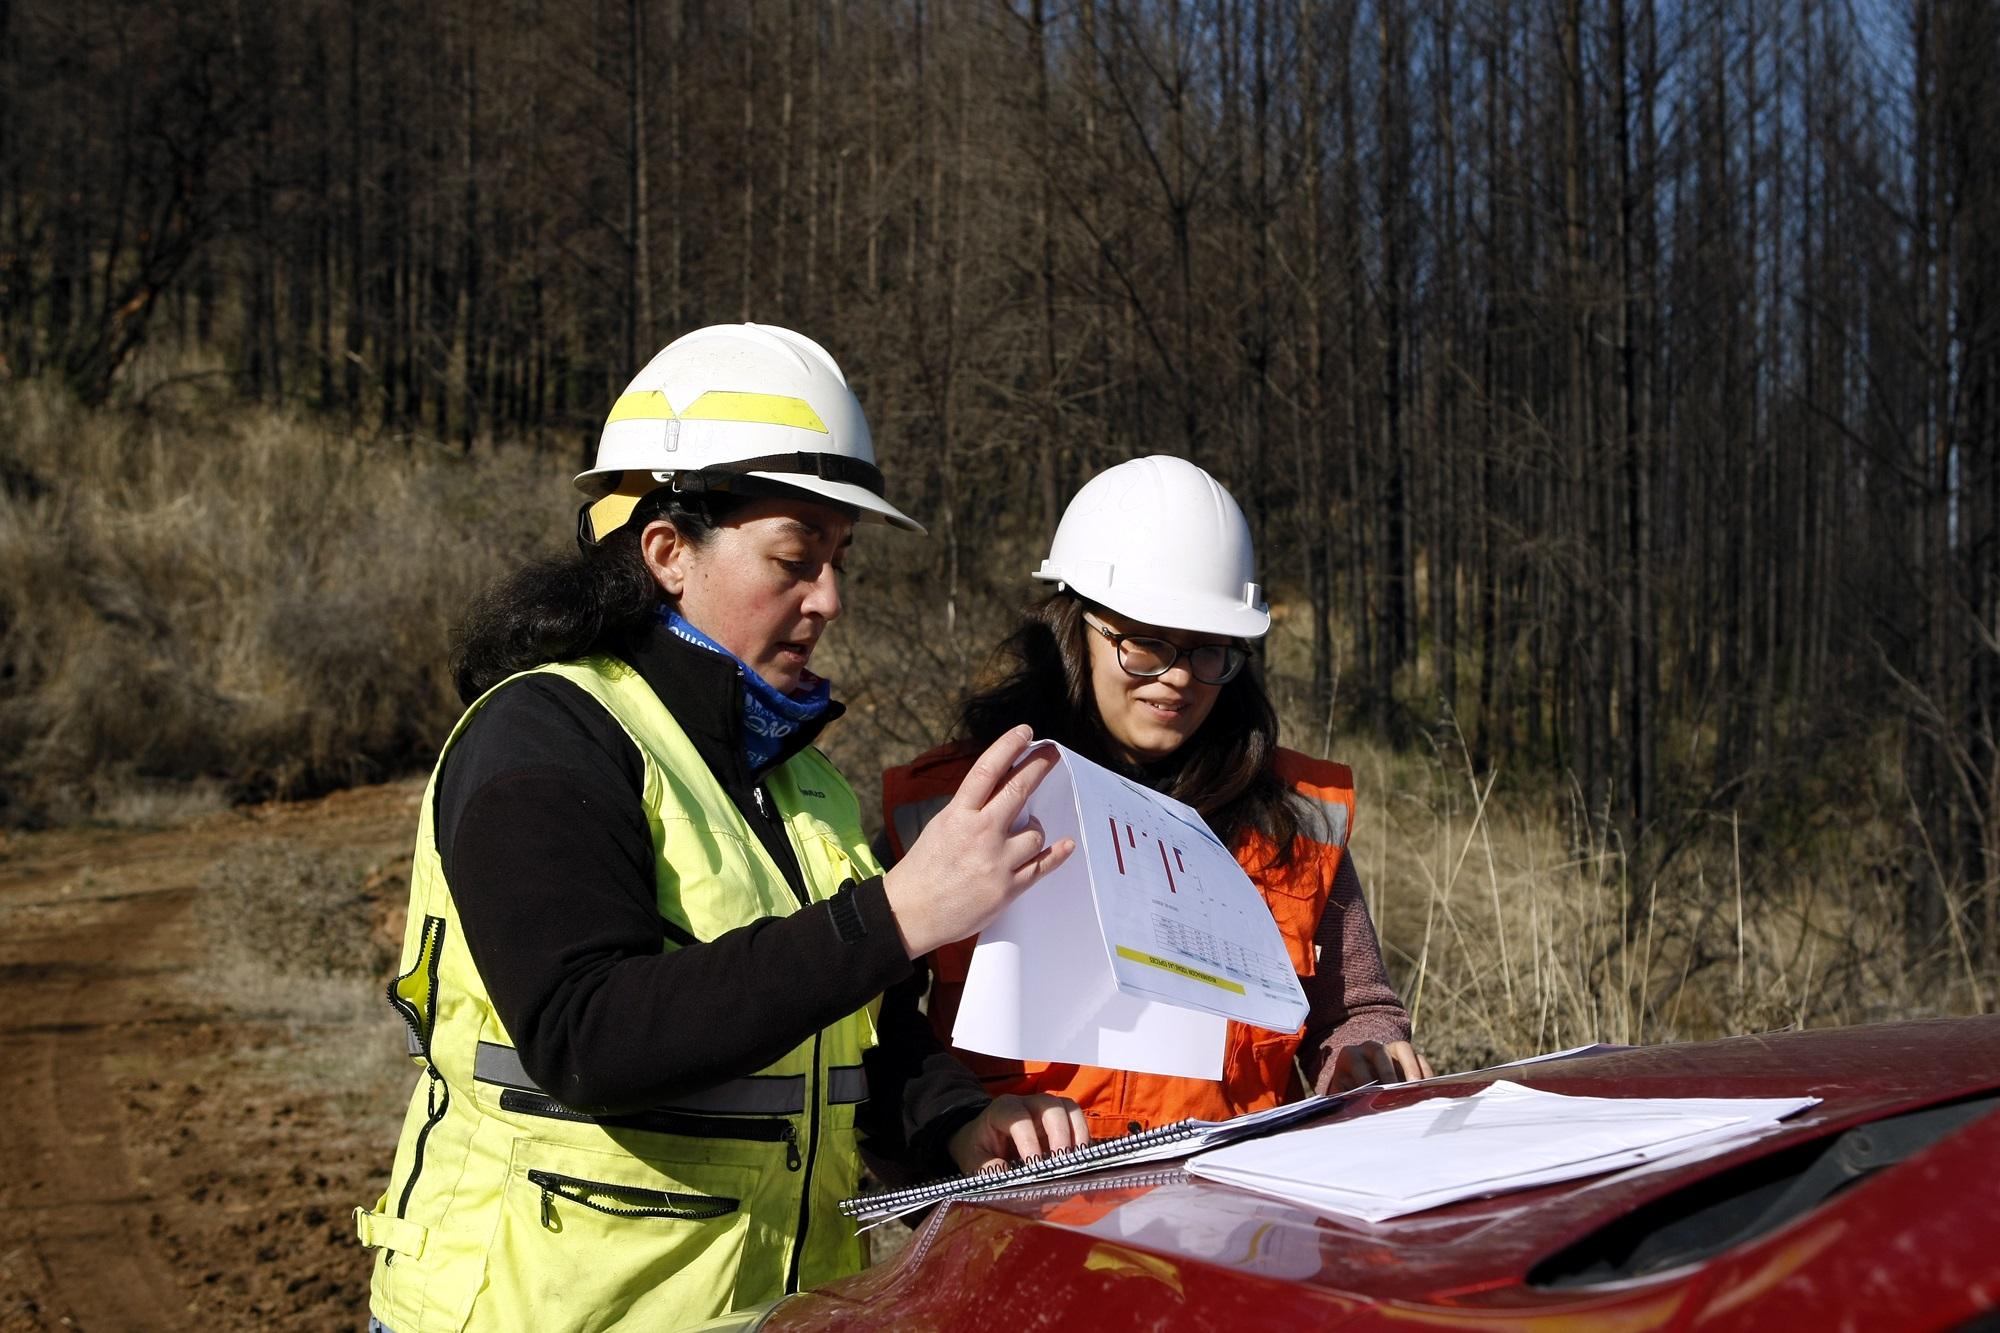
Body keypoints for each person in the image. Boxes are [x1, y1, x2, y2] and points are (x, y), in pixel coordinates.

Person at [354, 324, 1088, 1333]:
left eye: (838, 559)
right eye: (793, 559)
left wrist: (957, 1121)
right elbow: (587, 1034)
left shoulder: (804, 786)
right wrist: (897, 912)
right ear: (665, 552)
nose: (827, 598)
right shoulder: (543, 733)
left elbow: (843, 1040)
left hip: (770, 1312)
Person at [881, 455, 1431, 1141]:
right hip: (1020, 1222)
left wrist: (1360, 1053)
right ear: (1070, 629)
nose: (1176, 679)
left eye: (1208, 650)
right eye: (1144, 643)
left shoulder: (1293, 822)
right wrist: (953, 1126)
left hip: (1230, 1223)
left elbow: (1354, 1010)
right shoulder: (956, 805)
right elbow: (872, 1033)